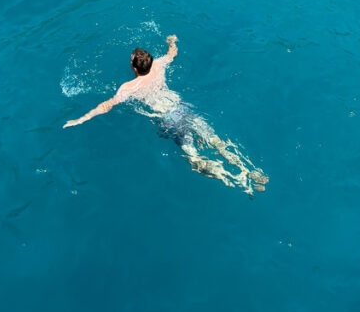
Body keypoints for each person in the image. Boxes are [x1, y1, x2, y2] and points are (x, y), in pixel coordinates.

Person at [63, 34, 267, 194]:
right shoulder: (159, 65)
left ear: (134, 68)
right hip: (182, 107)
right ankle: (249, 170)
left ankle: (237, 181)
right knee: (216, 140)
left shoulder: (129, 87)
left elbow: (107, 105)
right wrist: (172, 40)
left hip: (169, 120)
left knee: (194, 159)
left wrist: (81, 119)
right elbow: (172, 53)